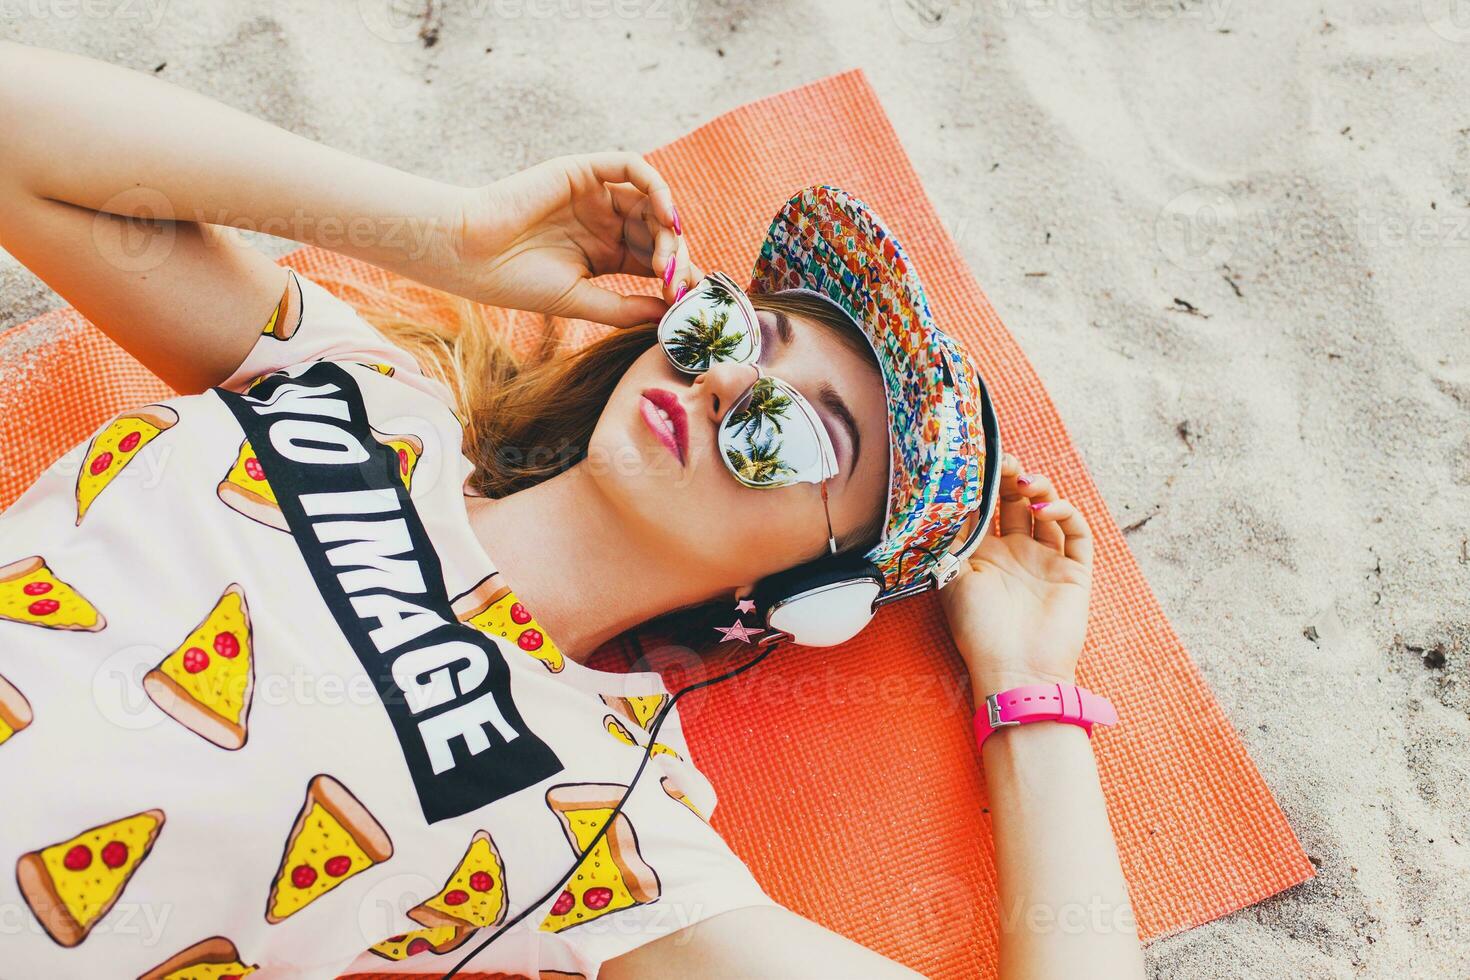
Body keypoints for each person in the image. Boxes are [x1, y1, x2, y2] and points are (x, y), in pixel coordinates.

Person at [0, 42, 1146, 979]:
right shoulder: (358, 384)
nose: (725, 382)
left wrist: (1025, 689)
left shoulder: (610, 826)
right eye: (732, 330)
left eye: (795, 433)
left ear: (818, 598)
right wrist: (452, 237)